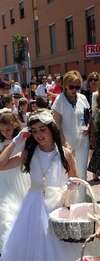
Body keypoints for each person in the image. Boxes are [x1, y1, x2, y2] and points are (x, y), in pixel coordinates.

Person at [0, 109, 84, 261]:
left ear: (52, 129)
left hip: (58, 206)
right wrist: (15, 141)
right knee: (35, 247)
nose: (39, 134)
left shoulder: (65, 154)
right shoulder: (28, 153)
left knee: (59, 248)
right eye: (34, 131)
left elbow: (75, 178)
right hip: (34, 206)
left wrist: (72, 185)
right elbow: (0, 165)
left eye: (43, 129)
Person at [0, 109, 30, 254]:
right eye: (2, 130)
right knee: (5, 209)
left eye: (7, 129)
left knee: (19, 208)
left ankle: (20, 240)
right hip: (4, 178)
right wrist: (3, 158)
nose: (5, 133)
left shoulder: (23, 138)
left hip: (20, 177)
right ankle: (7, 245)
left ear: (15, 125)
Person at [52, 70, 90, 203]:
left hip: (82, 140)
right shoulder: (59, 100)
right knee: (67, 175)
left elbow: (87, 117)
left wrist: (88, 127)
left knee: (82, 173)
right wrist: (63, 142)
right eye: (72, 87)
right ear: (65, 86)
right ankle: (68, 203)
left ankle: (81, 203)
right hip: (66, 142)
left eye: (78, 87)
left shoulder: (83, 98)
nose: (75, 90)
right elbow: (56, 123)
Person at [87, 76, 100, 181]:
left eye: (95, 79)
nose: (93, 81)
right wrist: (92, 136)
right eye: (91, 79)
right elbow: (93, 115)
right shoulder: (96, 95)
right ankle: (95, 174)